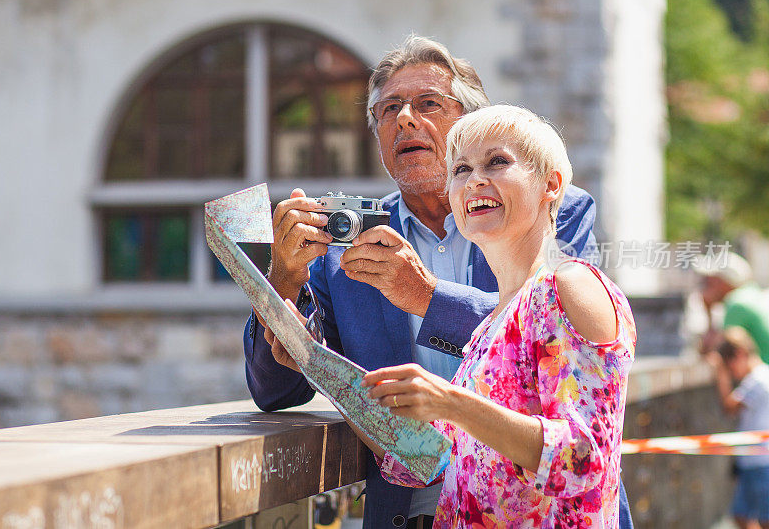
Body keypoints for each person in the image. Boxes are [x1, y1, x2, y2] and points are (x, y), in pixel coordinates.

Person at [243, 35, 632, 528]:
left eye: (427, 103)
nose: (405, 119)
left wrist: (425, 297)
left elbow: (545, 338)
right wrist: (283, 279)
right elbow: (276, 392)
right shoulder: (344, 241)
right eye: (388, 110)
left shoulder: (558, 216)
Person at [359, 104, 636, 527]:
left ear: (551, 184)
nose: (475, 181)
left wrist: (452, 403)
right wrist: (315, 366)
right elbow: (424, 461)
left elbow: (584, 459)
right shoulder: (491, 323)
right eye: (462, 169)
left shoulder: (567, 286)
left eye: (497, 162)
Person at [707, 327, 769, 529]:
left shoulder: (757, 380)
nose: (733, 373)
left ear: (740, 354)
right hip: (753, 461)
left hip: (761, 462)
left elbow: (729, 406)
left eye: (730, 366)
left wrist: (721, 374)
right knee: (742, 515)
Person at [698, 253, 769, 363]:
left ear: (723, 281)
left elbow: (715, 353)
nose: (706, 284)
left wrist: (708, 313)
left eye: (710, 280)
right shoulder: (753, 294)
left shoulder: (736, 303)